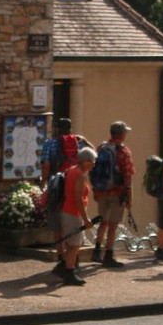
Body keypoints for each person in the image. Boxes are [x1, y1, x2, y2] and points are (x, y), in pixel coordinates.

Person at [40, 118, 92, 276]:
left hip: (56, 186)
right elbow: (92, 154)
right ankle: (73, 258)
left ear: (56, 128)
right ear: (70, 128)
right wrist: (84, 140)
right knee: (73, 222)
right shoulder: (78, 142)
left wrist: (44, 182)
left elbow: (46, 164)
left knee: (57, 224)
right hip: (73, 181)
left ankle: (61, 256)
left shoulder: (49, 143)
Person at [90, 120, 135, 268]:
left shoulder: (101, 148)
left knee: (103, 220)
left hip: (102, 190)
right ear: (121, 134)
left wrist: (95, 190)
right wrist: (128, 195)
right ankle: (108, 254)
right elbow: (127, 174)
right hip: (117, 192)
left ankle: (97, 250)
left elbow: (93, 170)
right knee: (113, 224)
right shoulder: (123, 151)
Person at [59, 146, 97, 285]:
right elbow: (78, 198)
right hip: (73, 213)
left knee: (72, 244)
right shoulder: (80, 175)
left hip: (66, 210)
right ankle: (69, 272)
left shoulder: (72, 170)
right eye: (92, 161)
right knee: (75, 245)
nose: (93, 164)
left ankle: (67, 268)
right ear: (85, 161)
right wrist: (86, 219)